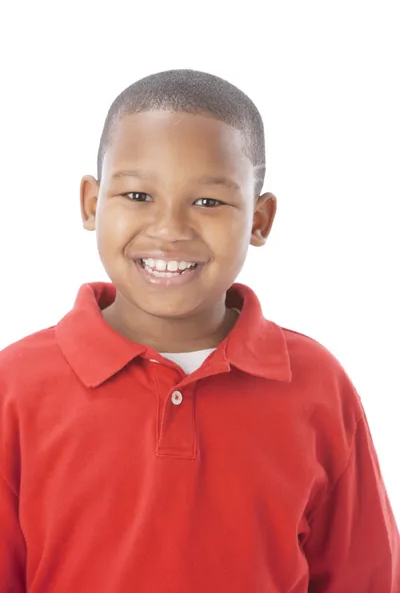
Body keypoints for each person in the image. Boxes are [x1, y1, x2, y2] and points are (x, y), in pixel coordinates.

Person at [0, 69, 399, 593]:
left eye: (209, 202)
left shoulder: (316, 384)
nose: (169, 230)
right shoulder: (16, 385)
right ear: (92, 204)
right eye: (139, 196)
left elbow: (363, 576)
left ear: (259, 220)